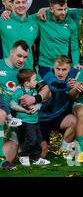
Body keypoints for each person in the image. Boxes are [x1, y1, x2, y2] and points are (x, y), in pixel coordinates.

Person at [0, 41, 50, 170]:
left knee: (42, 149)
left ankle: (20, 146)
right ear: (11, 52)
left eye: (25, 57)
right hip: (4, 115)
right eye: (19, 55)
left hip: (20, 121)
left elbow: (47, 91)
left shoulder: (27, 72)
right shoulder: (0, 66)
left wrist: (34, 98)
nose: (22, 60)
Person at [39, 55, 78, 159]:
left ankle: (64, 149)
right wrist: (68, 86)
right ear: (54, 68)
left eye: (64, 69)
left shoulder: (74, 75)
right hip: (42, 118)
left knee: (74, 121)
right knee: (42, 153)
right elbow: (55, 86)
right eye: (58, 69)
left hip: (59, 115)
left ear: (69, 70)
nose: (60, 72)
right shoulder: (48, 75)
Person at [11, 69, 50, 166]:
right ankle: (24, 155)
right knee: (29, 139)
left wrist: (36, 107)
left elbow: (39, 103)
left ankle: (36, 158)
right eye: (34, 80)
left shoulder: (34, 91)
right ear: (27, 83)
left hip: (34, 120)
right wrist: (23, 110)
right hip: (25, 121)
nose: (36, 82)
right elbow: (12, 104)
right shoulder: (19, 92)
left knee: (37, 140)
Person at [36, 0, 81, 78]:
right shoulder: (42, 17)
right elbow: (24, 18)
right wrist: (8, 12)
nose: (63, 12)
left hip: (62, 66)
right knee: (49, 88)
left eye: (65, 9)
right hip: (45, 64)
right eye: (60, 9)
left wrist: (76, 63)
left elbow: (74, 48)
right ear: (51, 9)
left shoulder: (71, 24)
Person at [0, 0, 39, 69]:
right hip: (7, 71)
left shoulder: (34, 22)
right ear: (12, 5)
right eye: (17, 2)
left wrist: (43, 9)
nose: (21, 5)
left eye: (23, 2)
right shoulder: (3, 21)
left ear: (27, 4)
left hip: (28, 71)